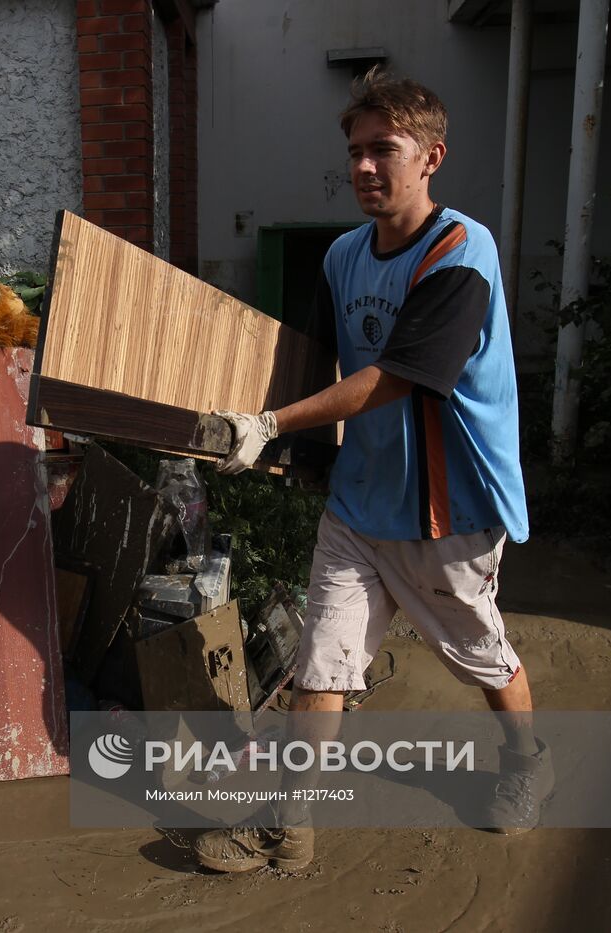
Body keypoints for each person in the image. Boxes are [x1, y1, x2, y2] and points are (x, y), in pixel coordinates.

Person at [192, 69, 551, 874]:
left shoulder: (463, 252)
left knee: (482, 655)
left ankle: (527, 762)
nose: (361, 167)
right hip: (361, 505)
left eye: (381, 150)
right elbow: (323, 357)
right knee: (324, 660)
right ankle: (289, 826)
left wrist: (272, 425)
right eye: (353, 151)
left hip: (446, 512)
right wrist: (307, 456)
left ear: (431, 157)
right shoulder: (343, 254)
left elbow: (398, 374)